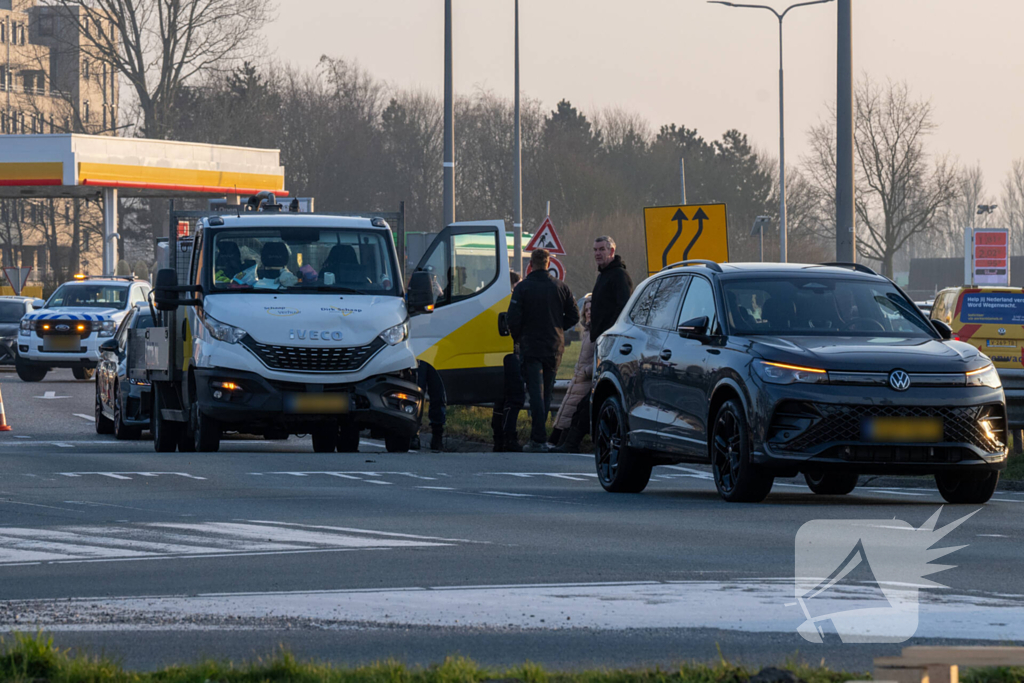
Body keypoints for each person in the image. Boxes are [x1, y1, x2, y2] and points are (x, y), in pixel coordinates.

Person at [506, 249, 579, 452]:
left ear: (531, 264)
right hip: (554, 346)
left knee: (536, 393)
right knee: (546, 393)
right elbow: (574, 315)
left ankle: (538, 438)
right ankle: (540, 437)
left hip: (531, 346)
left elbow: (512, 318)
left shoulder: (523, 289)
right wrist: (557, 326)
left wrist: (519, 337)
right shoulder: (561, 287)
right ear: (549, 263)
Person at [551, 296, 594, 453]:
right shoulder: (587, 332)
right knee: (567, 409)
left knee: (572, 411)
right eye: (587, 310)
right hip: (578, 379)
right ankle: (557, 441)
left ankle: (563, 442)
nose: (589, 313)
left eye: (591, 310)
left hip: (585, 380)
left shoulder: (596, 332)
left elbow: (598, 360)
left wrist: (585, 372)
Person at [492, 271, 526, 452]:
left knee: (501, 398)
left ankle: (498, 437)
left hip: (497, 354)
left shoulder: (493, 302)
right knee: (516, 397)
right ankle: (509, 437)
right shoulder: (512, 302)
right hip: (512, 352)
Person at [589, 236, 633, 343]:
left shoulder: (619, 275)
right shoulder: (602, 276)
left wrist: (609, 332)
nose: (597, 253)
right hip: (600, 338)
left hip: (612, 338)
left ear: (611, 251)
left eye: (602, 249)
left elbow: (624, 307)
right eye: (595, 250)